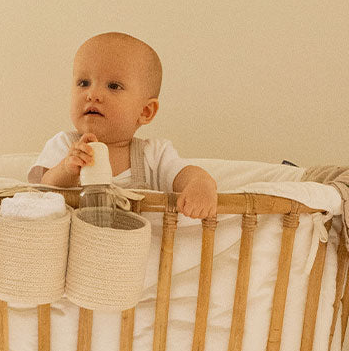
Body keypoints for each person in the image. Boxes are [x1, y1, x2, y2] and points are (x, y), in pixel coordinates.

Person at [28, 32, 218, 219]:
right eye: (84, 83)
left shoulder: (153, 154)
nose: (92, 94)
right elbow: (44, 187)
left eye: (113, 86)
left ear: (145, 111)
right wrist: (67, 169)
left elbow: (183, 173)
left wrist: (201, 184)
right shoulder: (65, 144)